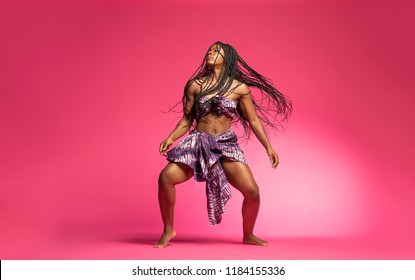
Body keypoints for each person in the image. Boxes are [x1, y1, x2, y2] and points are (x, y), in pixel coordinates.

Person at [154, 41, 292, 248]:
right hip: (199, 143)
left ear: (226, 59)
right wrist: (171, 137)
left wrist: (268, 147)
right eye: (209, 50)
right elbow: (186, 120)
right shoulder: (195, 85)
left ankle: (248, 234)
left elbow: (254, 121)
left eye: (215, 51)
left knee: (252, 192)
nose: (210, 53)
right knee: (165, 177)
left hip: (225, 144)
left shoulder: (239, 87)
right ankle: (168, 230)